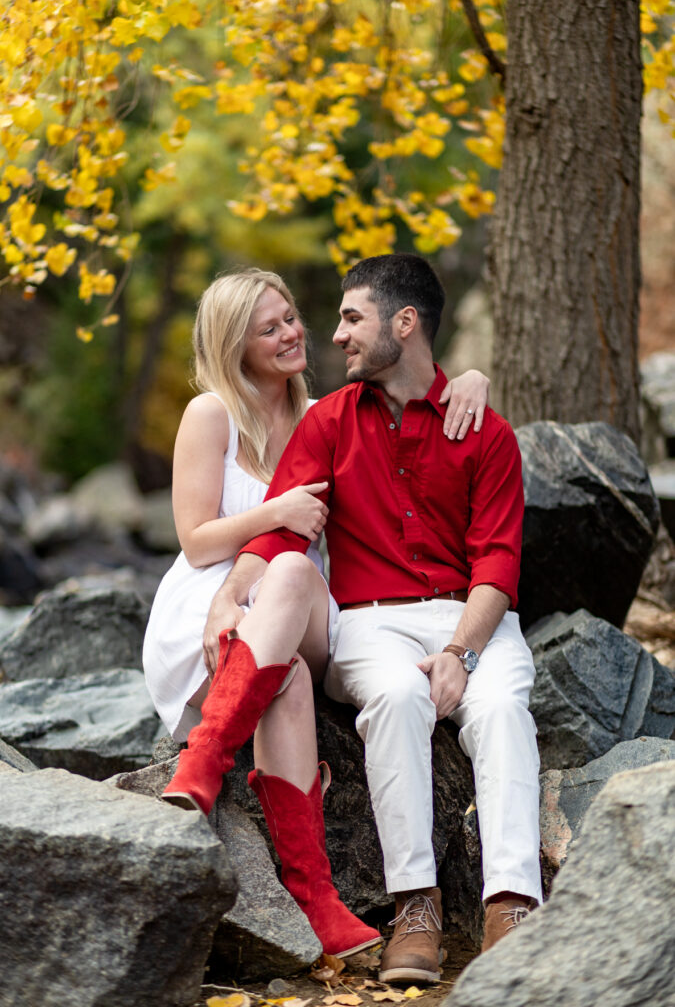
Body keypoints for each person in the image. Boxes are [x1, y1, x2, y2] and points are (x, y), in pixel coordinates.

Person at [201, 253, 542, 983]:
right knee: (393, 698)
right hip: (371, 621)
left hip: (473, 618)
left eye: (352, 318)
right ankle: (414, 906)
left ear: (404, 323)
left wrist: (460, 651)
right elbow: (283, 534)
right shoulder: (327, 423)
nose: (336, 334)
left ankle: (509, 904)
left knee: (503, 709)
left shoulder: (486, 432)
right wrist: (233, 593)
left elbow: (497, 566)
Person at [142, 266, 490, 960]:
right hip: (210, 606)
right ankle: (317, 898)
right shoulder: (210, 413)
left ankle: (206, 758)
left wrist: (471, 380)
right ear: (232, 344)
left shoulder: (320, 415)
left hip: (299, 608)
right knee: (289, 683)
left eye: (291, 317)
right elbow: (193, 537)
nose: (292, 333)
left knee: (295, 568)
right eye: (267, 328)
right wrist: (272, 516)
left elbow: (412, 391)